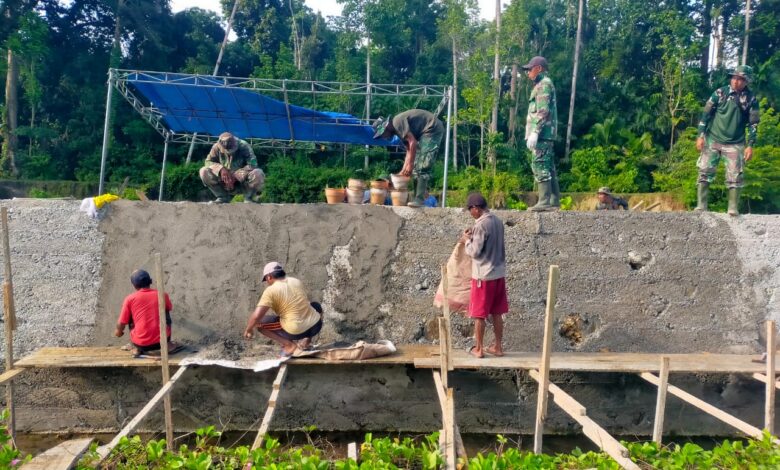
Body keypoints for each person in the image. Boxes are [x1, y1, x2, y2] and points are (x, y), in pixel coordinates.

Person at [695, 65, 760, 216]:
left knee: (735, 176)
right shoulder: (720, 93)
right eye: (734, 78)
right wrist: (700, 136)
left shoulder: (751, 99)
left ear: (746, 81)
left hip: (735, 142)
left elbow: (753, 124)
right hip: (713, 138)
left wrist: (750, 145)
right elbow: (705, 115)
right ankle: (701, 206)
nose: (736, 81)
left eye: (740, 79)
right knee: (704, 171)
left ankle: (732, 208)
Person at [460, 192, 508, 358]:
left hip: (484, 276)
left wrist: (466, 240)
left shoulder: (481, 225)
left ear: (476, 208)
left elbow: (474, 251)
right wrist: (473, 233)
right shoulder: (497, 221)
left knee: (479, 314)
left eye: (470, 210)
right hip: (499, 274)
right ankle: (498, 347)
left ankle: (479, 349)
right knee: (497, 312)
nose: (470, 213)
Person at [243, 262, 323, 357]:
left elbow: (256, 316)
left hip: (295, 331)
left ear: (269, 277)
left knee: (258, 323)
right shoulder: (296, 281)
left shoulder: (271, 291)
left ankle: (289, 345)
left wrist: (248, 330)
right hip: (316, 326)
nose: (267, 283)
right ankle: (307, 340)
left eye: (266, 280)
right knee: (315, 305)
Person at [372, 110, 444, 207]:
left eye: (382, 134)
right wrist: (404, 170)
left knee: (423, 165)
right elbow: (409, 149)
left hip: (431, 128)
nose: (383, 137)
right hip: (424, 132)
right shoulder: (397, 131)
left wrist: (410, 164)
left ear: (386, 127)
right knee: (415, 168)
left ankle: (419, 200)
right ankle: (417, 198)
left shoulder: (397, 123)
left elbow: (413, 142)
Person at [114, 269, 183, 357]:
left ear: (134, 285)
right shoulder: (162, 295)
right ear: (150, 281)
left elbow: (121, 323)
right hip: (161, 341)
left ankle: (137, 348)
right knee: (165, 311)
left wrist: (118, 332)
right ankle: (169, 345)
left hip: (141, 344)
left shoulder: (129, 299)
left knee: (130, 316)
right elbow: (169, 307)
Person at [523, 56, 560, 212]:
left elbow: (543, 111)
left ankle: (544, 201)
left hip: (542, 134)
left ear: (538, 68)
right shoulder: (542, 84)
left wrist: (535, 132)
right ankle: (553, 200)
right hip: (545, 134)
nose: (528, 73)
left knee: (540, 164)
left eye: (530, 69)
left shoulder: (544, 84)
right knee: (548, 166)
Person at [199, 132, 266, 204]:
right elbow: (208, 162)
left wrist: (236, 176)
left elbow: (253, 164)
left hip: (242, 183)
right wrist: (221, 169)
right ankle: (222, 197)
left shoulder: (243, 145)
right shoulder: (216, 147)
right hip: (224, 182)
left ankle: (248, 198)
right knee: (203, 171)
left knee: (258, 173)